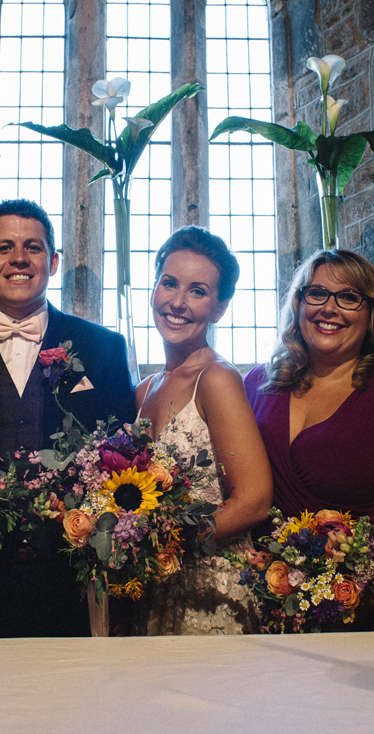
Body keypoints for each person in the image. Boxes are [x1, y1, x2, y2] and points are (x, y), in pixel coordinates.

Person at [0, 199, 137, 637]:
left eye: (34, 248)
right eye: (4, 247)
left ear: (54, 261)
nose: (19, 259)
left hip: (75, 581)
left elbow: (125, 460)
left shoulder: (102, 349)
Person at [244, 249, 374, 628]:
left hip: (362, 614)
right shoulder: (257, 385)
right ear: (299, 304)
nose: (329, 308)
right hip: (263, 603)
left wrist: (361, 597)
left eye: (348, 297)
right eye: (316, 294)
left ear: (372, 313)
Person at [134, 226, 272, 635]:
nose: (177, 302)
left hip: (211, 592)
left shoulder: (217, 379)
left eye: (198, 291)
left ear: (219, 307)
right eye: (169, 283)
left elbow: (254, 500)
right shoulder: (143, 391)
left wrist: (167, 541)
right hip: (154, 589)